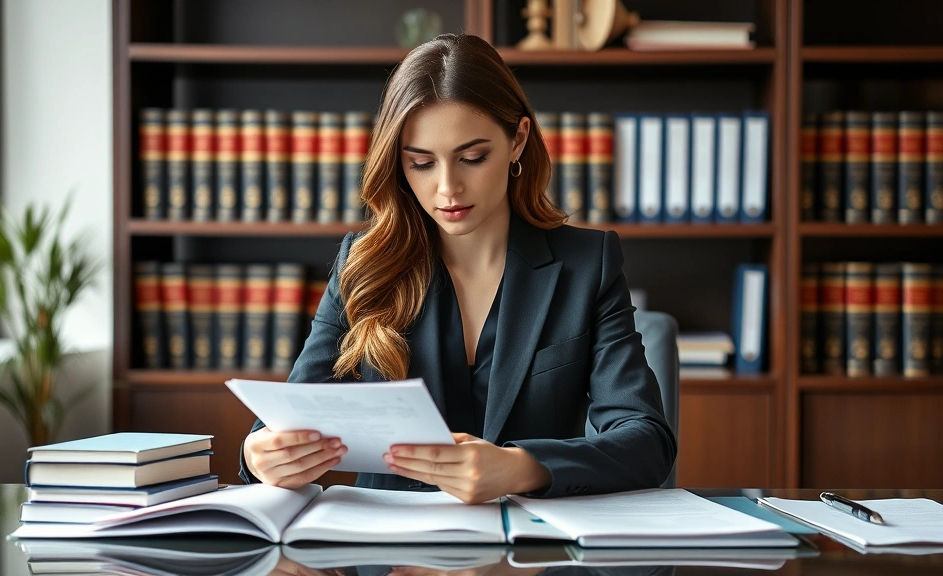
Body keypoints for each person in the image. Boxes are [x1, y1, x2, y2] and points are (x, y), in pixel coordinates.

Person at [240, 33, 676, 503]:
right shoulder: (363, 263)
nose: (448, 187)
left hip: (527, 554)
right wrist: (256, 454)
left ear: (518, 141)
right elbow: (283, 422)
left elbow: (647, 441)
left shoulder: (587, 265)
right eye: (422, 163)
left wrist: (521, 467)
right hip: (389, 551)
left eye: (473, 158)